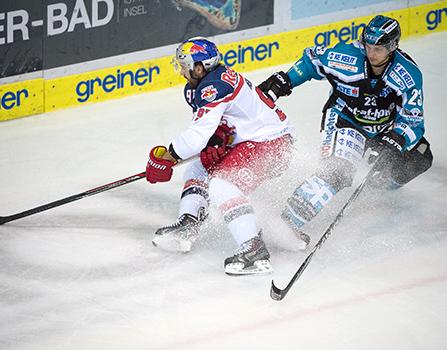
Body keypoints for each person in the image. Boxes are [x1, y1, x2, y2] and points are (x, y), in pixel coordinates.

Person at [258, 15, 433, 247]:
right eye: (368, 46)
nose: (371, 53)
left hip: (382, 129)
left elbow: (413, 120)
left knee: (420, 157)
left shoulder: (407, 75)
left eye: (378, 48)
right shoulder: (346, 56)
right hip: (345, 119)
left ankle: (375, 184)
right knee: (338, 171)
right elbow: (313, 61)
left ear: (392, 47)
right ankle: (286, 222)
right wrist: (286, 79)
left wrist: (395, 141)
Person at [145, 37, 296, 275]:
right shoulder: (203, 85)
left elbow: (197, 136)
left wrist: (169, 156)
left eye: (185, 65)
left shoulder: (212, 87)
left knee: (223, 185)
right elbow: (208, 129)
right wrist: (216, 141)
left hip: (273, 144)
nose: (181, 71)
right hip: (251, 140)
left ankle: (253, 250)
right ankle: (189, 224)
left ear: (200, 67)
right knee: (197, 170)